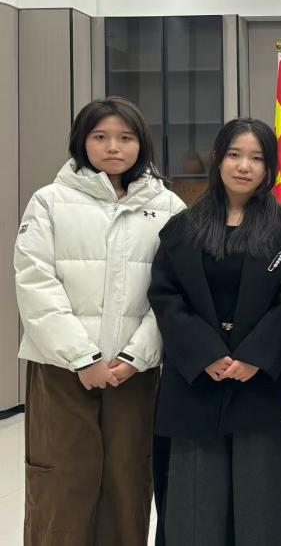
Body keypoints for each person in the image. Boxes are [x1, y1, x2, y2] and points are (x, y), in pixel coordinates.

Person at [14, 96, 185, 545]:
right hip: (61, 370)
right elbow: (35, 283)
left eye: (125, 137)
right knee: (62, 480)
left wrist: (136, 356)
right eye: (100, 136)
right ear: (81, 141)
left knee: (127, 482)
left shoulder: (168, 206)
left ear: (141, 143)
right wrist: (82, 357)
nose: (113, 147)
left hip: (134, 373)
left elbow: (175, 292)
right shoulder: (49, 201)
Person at [148, 118, 281, 546]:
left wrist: (255, 356)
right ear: (217, 159)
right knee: (197, 497)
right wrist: (205, 353)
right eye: (235, 155)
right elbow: (166, 296)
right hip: (196, 378)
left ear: (270, 167)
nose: (244, 166)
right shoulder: (182, 228)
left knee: (264, 495)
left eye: (256, 158)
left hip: (262, 380)